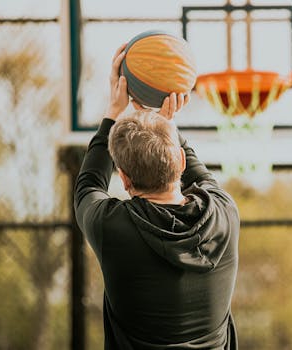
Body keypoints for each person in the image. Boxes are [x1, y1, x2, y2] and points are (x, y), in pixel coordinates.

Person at [74, 43, 240, 349]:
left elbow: (87, 186)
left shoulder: (111, 227)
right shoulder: (224, 215)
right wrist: (168, 124)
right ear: (179, 159)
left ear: (122, 178)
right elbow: (199, 174)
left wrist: (114, 110)